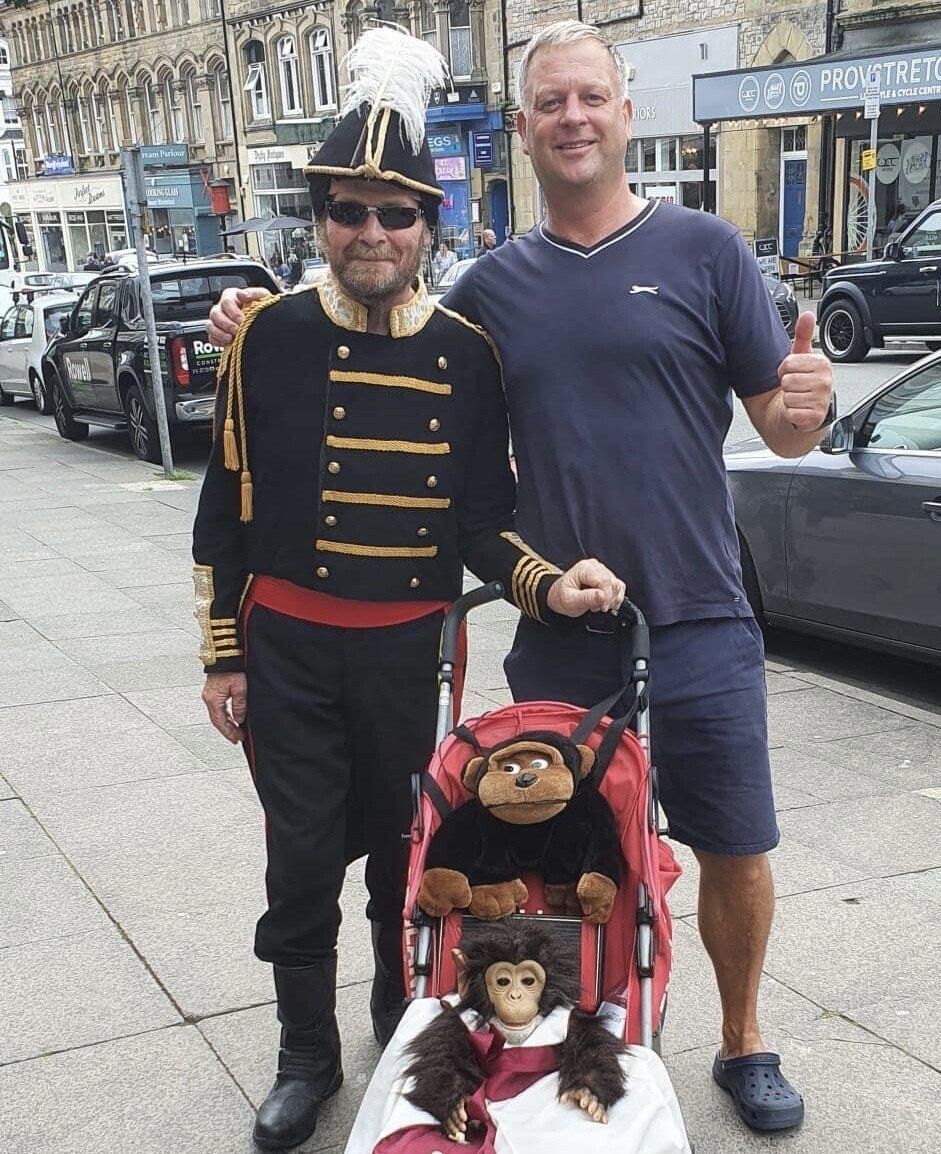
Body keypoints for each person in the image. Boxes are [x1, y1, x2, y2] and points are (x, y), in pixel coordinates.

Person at [207, 19, 835, 1139]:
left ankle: (744, 1041)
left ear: (625, 110)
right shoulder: (489, 291)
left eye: (590, 97)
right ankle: (554, 1040)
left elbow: (780, 429)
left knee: (734, 842)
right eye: (551, 102)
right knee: (553, 858)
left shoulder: (706, 250)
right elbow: (365, 329)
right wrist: (255, 319)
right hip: (553, 638)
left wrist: (803, 412)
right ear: (524, 126)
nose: (573, 118)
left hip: (698, 612)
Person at [193, 26, 624, 1153]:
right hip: (288, 647)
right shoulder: (266, 336)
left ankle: (399, 1029)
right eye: (349, 211)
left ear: (428, 224)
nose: (371, 233)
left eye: (395, 213)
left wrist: (549, 586)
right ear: (321, 218)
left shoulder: (467, 352)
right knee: (299, 862)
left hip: (406, 650)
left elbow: (483, 524)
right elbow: (224, 507)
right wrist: (223, 653)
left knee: (409, 859)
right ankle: (305, 1055)